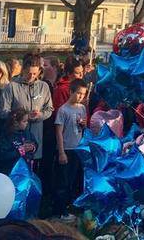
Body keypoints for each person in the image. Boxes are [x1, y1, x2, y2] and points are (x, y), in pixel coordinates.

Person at [0, 54, 54, 165]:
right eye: (28, 73)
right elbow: (3, 112)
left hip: (35, 135)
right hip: (15, 138)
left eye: (35, 73)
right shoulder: (12, 86)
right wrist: (21, 118)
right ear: (23, 70)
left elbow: (49, 109)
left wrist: (40, 115)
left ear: (39, 71)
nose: (31, 76)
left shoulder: (44, 86)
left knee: (33, 169)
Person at [54, 79, 88, 222]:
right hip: (67, 149)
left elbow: (83, 128)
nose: (80, 96)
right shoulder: (63, 110)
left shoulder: (82, 108)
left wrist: (84, 124)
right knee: (64, 181)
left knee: (76, 180)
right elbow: (59, 132)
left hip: (79, 149)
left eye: (83, 94)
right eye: (78, 93)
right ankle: (61, 211)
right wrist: (61, 152)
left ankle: (72, 207)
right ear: (71, 92)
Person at [0, 108, 39, 174]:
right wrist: (20, 151)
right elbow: (2, 154)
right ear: (16, 123)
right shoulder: (7, 135)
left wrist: (32, 147)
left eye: (27, 121)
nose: (27, 123)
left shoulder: (28, 133)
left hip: (26, 170)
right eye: (24, 121)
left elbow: (35, 143)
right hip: (10, 171)